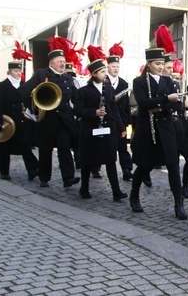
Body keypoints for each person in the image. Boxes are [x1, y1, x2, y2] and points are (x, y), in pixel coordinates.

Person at [129, 46, 186, 219]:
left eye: (162, 64)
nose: (161, 67)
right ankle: (134, 195)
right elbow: (143, 102)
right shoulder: (139, 82)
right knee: (144, 165)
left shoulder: (169, 82)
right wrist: (165, 100)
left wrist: (159, 106)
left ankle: (179, 203)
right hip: (148, 129)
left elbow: (177, 105)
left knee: (173, 166)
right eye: (157, 64)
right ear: (148, 64)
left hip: (166, 128)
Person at [19, 44, 80, 189]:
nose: (62, 63)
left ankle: (68, 177)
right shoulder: (42, 74)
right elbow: (24, 90)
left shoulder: (68, 78)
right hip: (47, 119)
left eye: (63, 61)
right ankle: (44, 178)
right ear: (51, 63)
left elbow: (75, 98)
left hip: (64, 119)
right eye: (59, 61)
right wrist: (33, 109)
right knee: (45, 149)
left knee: (64, 147)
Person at [73, 50, 128, 201]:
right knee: (87, 160)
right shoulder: (84, 91)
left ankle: (116, 191)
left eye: (105, 71)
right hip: (90, 129)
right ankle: (84, 188)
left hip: (107, 128)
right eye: (103, 71)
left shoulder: (109, 89)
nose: (105, 74)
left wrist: (121, 127)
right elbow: (77, 110)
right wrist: (94, 112)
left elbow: (114, 110)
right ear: (94, 73)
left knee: (111, 159)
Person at [0, 54, 39, 180]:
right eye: (16, 71)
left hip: (23, 121)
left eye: (19, 71)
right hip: (7, 122)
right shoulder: (1, 87)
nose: (18, 73)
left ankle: (32, 169)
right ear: (9, 72)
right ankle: (4, 172)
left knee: (25, 146)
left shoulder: (25, 85)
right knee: (5, 148)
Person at [105, 43, 133, 181]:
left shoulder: (123, 83)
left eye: (117, 67)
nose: (115, 69)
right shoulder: (103, 81)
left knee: (122, 147)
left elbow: (126, 103)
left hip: (120, 120)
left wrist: (127, 120)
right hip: (107, 119)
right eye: (113, 67)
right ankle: (96, 168)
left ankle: (127, 169)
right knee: (105, 146)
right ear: (108, 67)